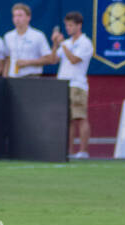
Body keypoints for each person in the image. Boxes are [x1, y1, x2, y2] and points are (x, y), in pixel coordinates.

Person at [44, 11, 94, 158]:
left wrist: (62, 44)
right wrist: (55, 44)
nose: (68, 28)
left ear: (79, 26)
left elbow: (74, 60)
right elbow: (53, 60)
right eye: (66, 25)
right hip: (63, 84)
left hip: (77, 85)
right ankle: (70, 151)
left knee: (80, 117)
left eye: (71, 25)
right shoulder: (66, 43)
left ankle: (84, 151)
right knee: (68, 120)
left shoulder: (85, 43)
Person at [0, 3, 48, 78]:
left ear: (28, 17)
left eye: (20, 15)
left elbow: (48, 59)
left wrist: (28, 62)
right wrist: (5, 77)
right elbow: (7, 59)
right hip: (13, 77)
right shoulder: (8, 36)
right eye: (14, 16)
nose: (17, 19)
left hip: (31, 77)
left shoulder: (38, 35)